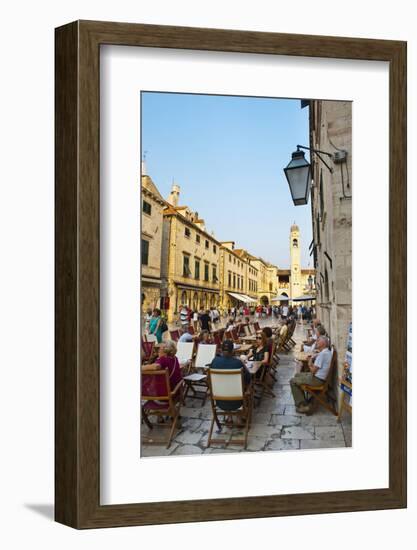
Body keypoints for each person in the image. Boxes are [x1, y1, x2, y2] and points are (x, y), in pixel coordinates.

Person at [290, 336, 333, 414]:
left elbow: (313, 371)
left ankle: (302, 405)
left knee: (292, 381)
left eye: (318, 341)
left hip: (317, 380)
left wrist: (310, 362)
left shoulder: (322, 355)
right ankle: (303, 400)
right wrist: (314, 357)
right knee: (297, 375)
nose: (316, 342)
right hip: (320, 378)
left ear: (323, 343)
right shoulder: (326, 352)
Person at [209, 339, 251, 411]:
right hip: (237, 401)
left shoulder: (214, 361)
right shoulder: (237, 363)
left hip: (219, 401)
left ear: (221, 350)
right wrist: (242, 362)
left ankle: (229, 416)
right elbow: (248, 378)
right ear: (233, 351)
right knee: (249, 384)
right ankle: (243, 414)